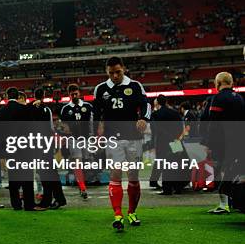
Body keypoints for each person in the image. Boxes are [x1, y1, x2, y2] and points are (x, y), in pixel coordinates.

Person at [93, 56, 151, 232]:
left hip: (133, 137)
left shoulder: (135, 86)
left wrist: (143, 118)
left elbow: (146, 104)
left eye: (118, 72)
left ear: (124, 69)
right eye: (111, 73)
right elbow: (96, 113)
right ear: (106, 72)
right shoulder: (101, 89)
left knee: (133, 175)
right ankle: (117, 214)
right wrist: (97, 130)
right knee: (115, 173)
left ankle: (132, 212)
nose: (115, 76)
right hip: (112, 138)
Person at [201, 72, 245, 214]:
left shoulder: (218, 98)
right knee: (236, 171)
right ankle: (235, 202)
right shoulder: (239, 98)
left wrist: (209, 144)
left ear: (218, 83)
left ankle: (223, 204)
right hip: (239, 141)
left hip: (223, 142)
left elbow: (214, 124)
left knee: (221, 171)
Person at [0, 87, 41, 211]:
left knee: (13, 179)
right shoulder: (25, 110)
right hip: (25, 148)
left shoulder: (1, 113)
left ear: (6, 96)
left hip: (10, 149)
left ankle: (16, 204)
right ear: (17, 97)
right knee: (27, 179)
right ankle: (28, 204)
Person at [31, 88, 66, 210]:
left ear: (33, 95)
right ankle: (59, 199)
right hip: (47, 143)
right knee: (51, 172)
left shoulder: (31, 109)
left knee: (45, 173)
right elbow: (51, 128)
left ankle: (46, 202)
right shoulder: (48, 110)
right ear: (44, 95)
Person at [60, 84, 94, 199]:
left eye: (76, 93)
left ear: (79, 93)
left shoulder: (88, 106)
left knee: (87, 162)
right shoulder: (66, 109)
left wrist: (93, 137)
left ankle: (83, 182)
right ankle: (82, 187)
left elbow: (91, 123)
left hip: (86, 139)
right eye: (72, 94)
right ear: (69, 95)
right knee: (78, 162)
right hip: (73, 139)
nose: (74, 96)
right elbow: (64, 126)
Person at [150, 95, 186, 195]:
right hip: (175, 141)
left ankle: (167, 189)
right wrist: (176, 138)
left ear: (158, 103)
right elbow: (180, 127)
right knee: (176, 164)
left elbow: (156, 130)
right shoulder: (175, 113)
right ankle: (178, 187)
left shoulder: (156, 114)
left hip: (162, 143)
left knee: (165, 165)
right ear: (166, 102)